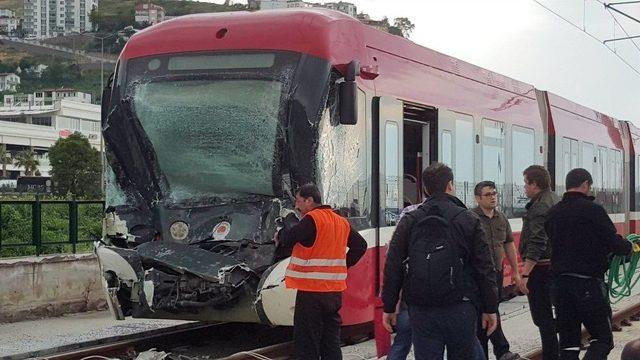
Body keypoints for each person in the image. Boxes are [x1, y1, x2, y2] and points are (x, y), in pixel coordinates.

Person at [382, 163, 498, 360]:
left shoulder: (410, 220)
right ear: (450, 185)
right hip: (460, 306)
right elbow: (485, 268)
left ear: (425, 189)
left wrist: (389, 306)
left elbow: (393, 265)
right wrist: (490, 308)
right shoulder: (469, 219)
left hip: (422, 309)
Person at [545, 168, 632, 360]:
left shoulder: (552, 213)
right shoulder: (593, 210)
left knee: (568, 345)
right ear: (585, 184)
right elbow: (613, 242)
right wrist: (629, 247)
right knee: (602, 339)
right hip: (588, 285)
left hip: (559, 286)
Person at [275, 183, 367, 360]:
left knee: (307, 343)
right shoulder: (340, 221)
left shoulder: (312, 219)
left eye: (299, 201)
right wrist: (342, 266)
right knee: (330, 341)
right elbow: (360, 246)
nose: (296, 206)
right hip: (333, 293)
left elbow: (288, 239)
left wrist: (280, 232)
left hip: (311, 293)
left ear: (309, 200)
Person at [473, 181, 522, 360]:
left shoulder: (501, 218)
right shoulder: (471, 218)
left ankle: (499, 351)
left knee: (492, 309)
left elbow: (508, 244)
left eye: (494, 193)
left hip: (496, 272)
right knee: (485, 312)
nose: (493, 197)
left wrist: (516, 271)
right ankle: (499, 350)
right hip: (478, 275)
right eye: (488, 194)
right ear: (478, 198)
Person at [519, 165, 559, 360]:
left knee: (542, 317)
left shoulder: (540, 206)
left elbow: (537, 241)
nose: (524, 188)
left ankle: (551, 355)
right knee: (550, 315)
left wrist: (525, 273)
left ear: (535, 184)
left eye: (526, 183)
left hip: (541, 269)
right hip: (554, 265)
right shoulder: (555, 199)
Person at [387, 197, 428, 360]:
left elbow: (393, 256)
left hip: (412, 288)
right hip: (444, 293)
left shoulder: (409, 213)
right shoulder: (456, 214)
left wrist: (389, 306)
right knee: (430, 344)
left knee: (402, 340)